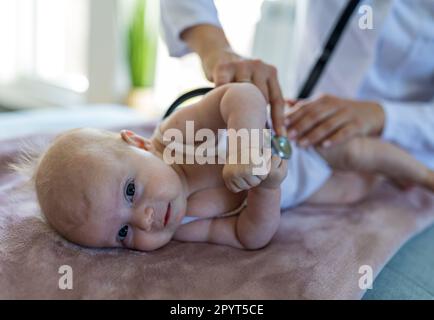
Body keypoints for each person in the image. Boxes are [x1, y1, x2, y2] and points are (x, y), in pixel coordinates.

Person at [17, 83, 434, 251]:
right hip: (298, 186)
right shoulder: (184, 226)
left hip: (301, 142)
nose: (144, 219)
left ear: (140, 143)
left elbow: (242, 95)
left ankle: (422, 174)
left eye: (130, 191)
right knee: (357, 189)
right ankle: (393, 174)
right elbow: (246, 235)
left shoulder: (177, 136)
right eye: (123, 234)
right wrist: (267, 189)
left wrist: (248, 146)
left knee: (359, 154)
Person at [160, 0, 434, 170]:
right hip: (301, 127)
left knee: (362, 161)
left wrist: (383, 116)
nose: (146, 217)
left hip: (406, 145)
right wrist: (216, 50)